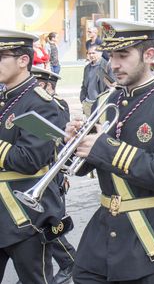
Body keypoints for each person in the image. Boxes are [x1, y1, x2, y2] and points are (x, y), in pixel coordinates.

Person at [65, 18, 154, 283]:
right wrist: (73, 144)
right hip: (102, 234)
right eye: (112, 55)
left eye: (123, 55)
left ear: (149, 55)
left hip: (150, 234)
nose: (114, 64)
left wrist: (104, 146)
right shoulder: (107, 100)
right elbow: (84, 168)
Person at [0, 29, 65, 283]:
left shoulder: (42, 104)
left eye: (1, 56)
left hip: (25, 219)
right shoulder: (7, 99)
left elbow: (30, 159)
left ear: (23, 60)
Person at [30, 66, 77, 284]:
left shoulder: (57, 106)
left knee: (48, 225)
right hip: (33, 174)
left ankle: (69, 262)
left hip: (51, 172)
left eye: (39, 84)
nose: (35, 88)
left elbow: (59, 142)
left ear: (50, 86)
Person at [79, 44, 113, 116]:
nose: (91, 55)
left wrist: (103, 100)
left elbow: (110, 86)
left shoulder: (106, 66)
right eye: (89, 53)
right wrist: (82, 99)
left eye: (93, 53)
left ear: (100, 53)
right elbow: (84, 85)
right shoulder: (87, 68)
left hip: (100, 104)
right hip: (88, 103)